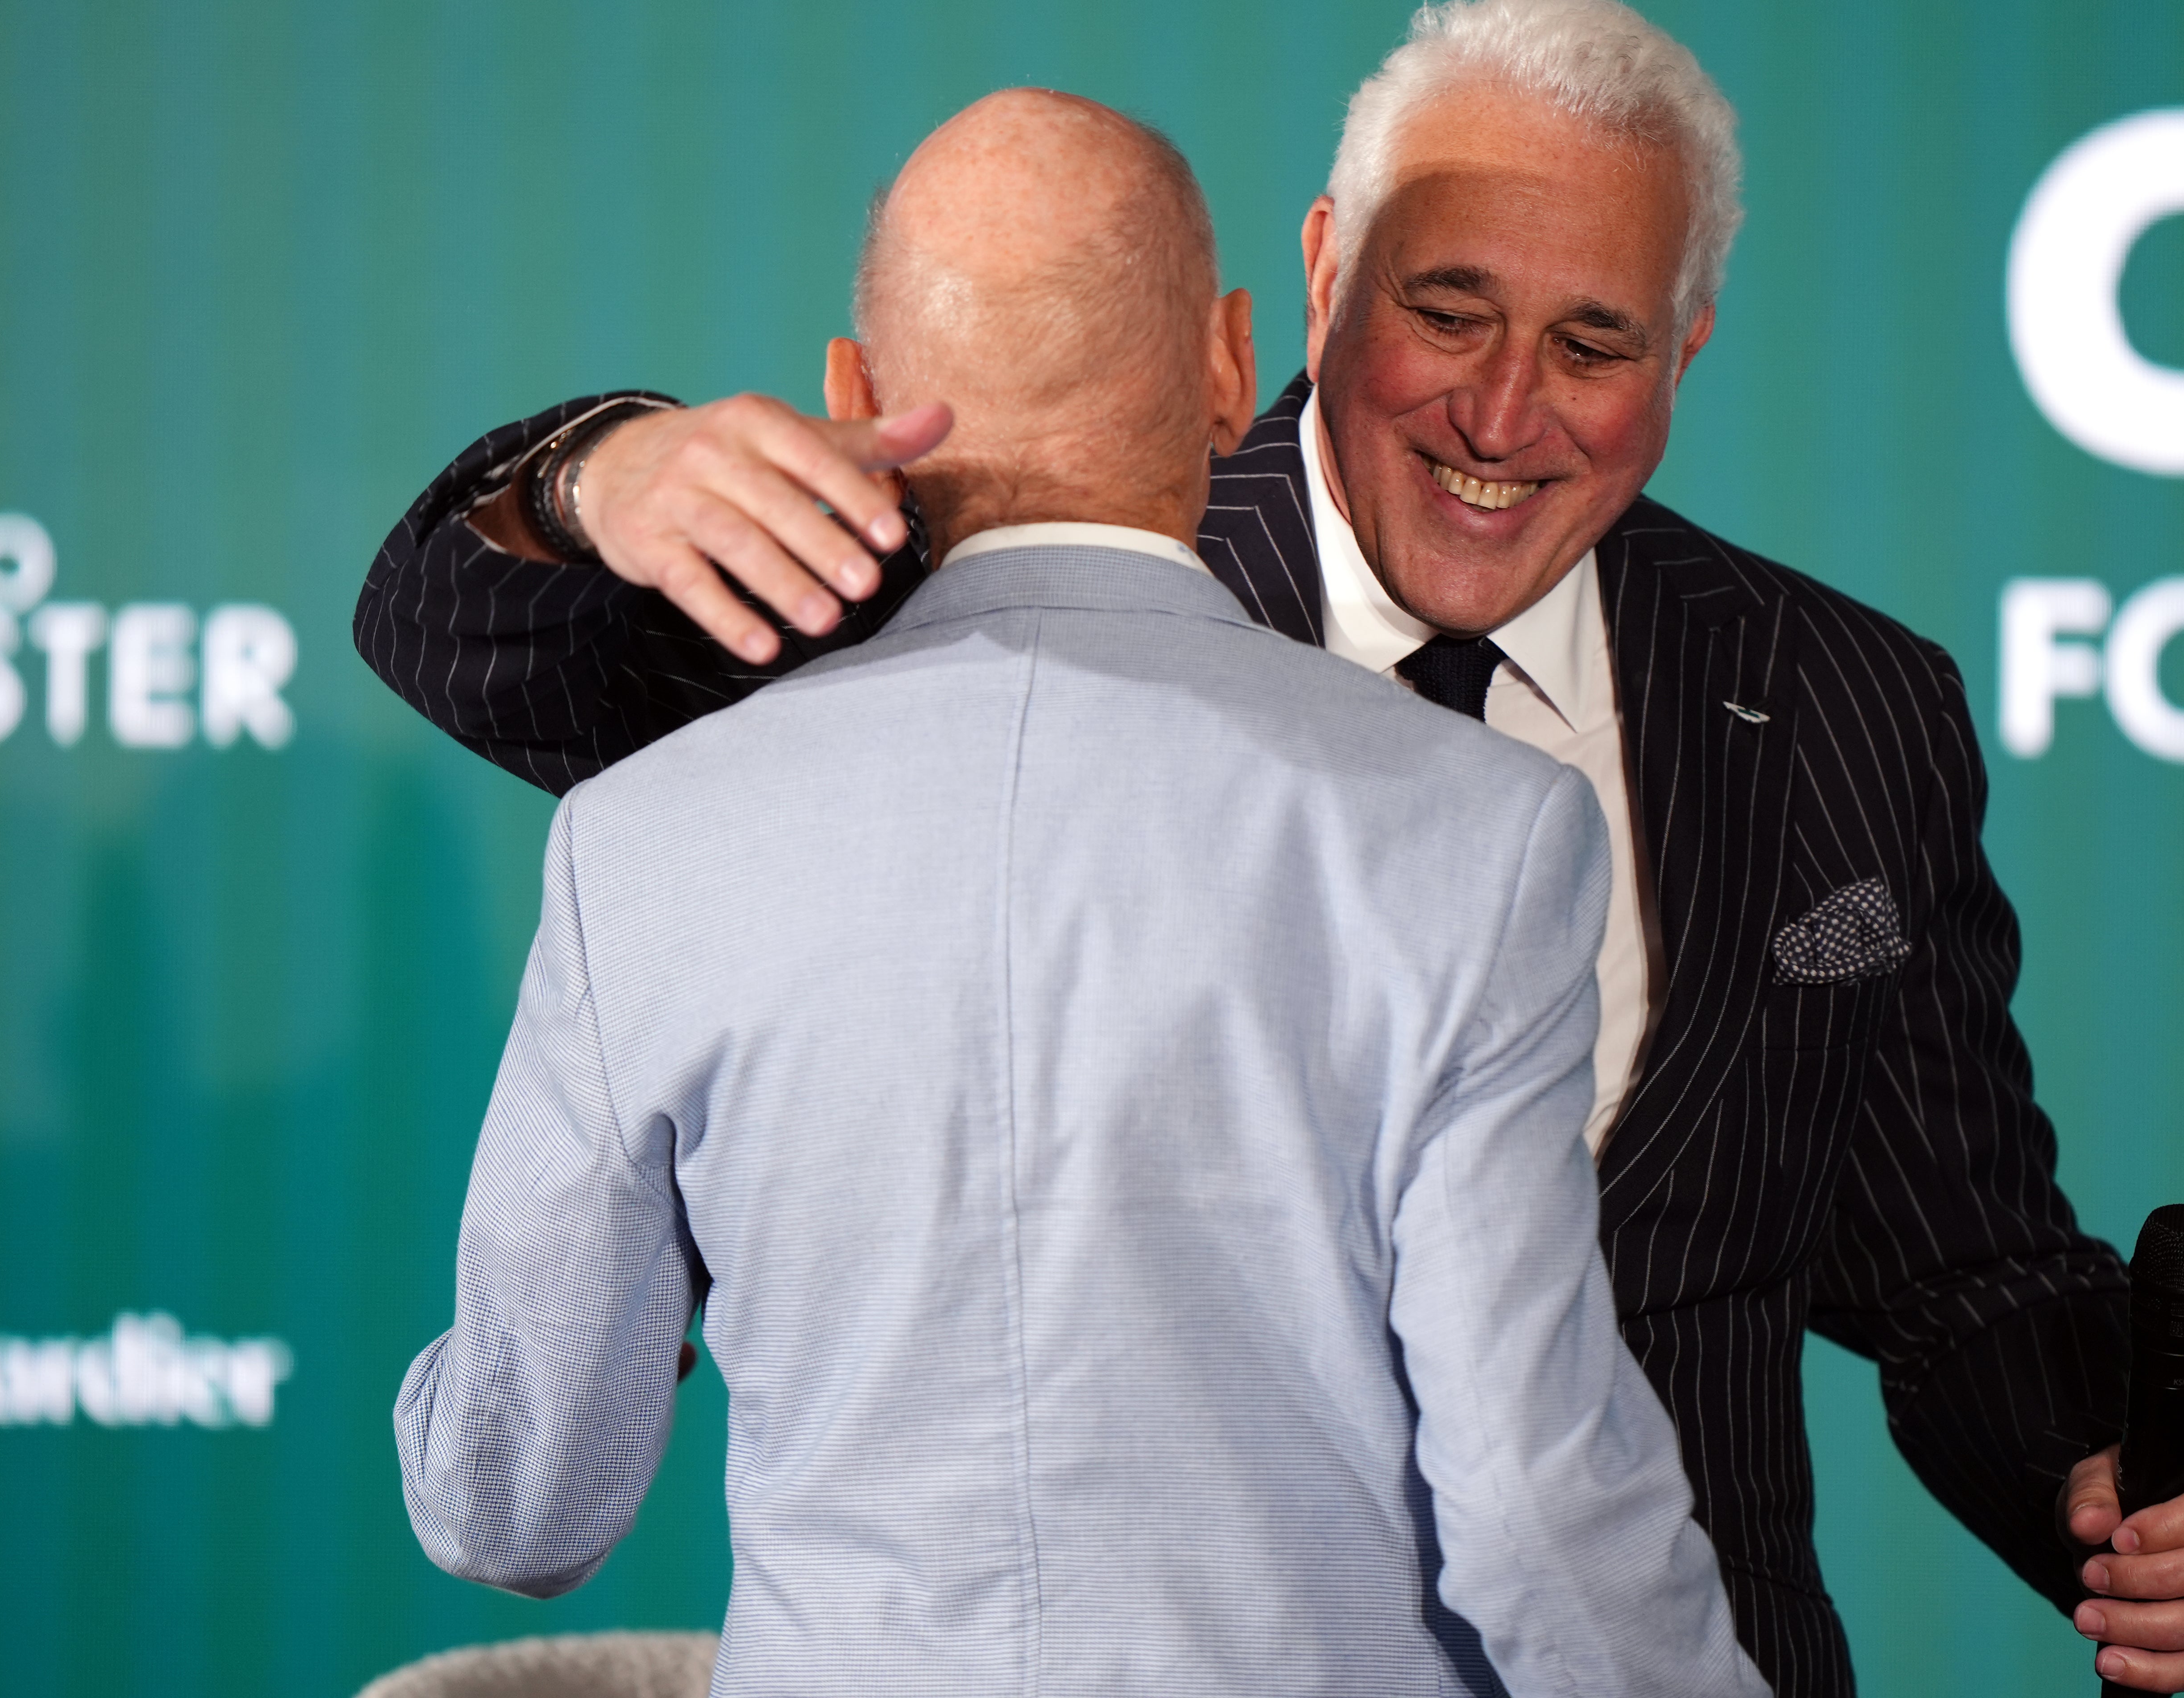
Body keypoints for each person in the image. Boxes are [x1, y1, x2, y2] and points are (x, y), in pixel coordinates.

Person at [360, 0, 2184, 1695]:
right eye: (1448, 312)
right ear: (1308, 286)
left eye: (1592, 341)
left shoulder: (1849, 704)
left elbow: (1959, 1254)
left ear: (1690, 350)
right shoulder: (941, 548)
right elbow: (461, 637)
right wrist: (603, 466)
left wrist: (2093, 1486)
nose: (1502, 411)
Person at [394, 87, 1765, 1698]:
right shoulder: (1481, 829)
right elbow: (1540, 1512)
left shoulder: (644, 840)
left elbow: (511, 1503)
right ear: (1233, 365)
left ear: (855, 394)